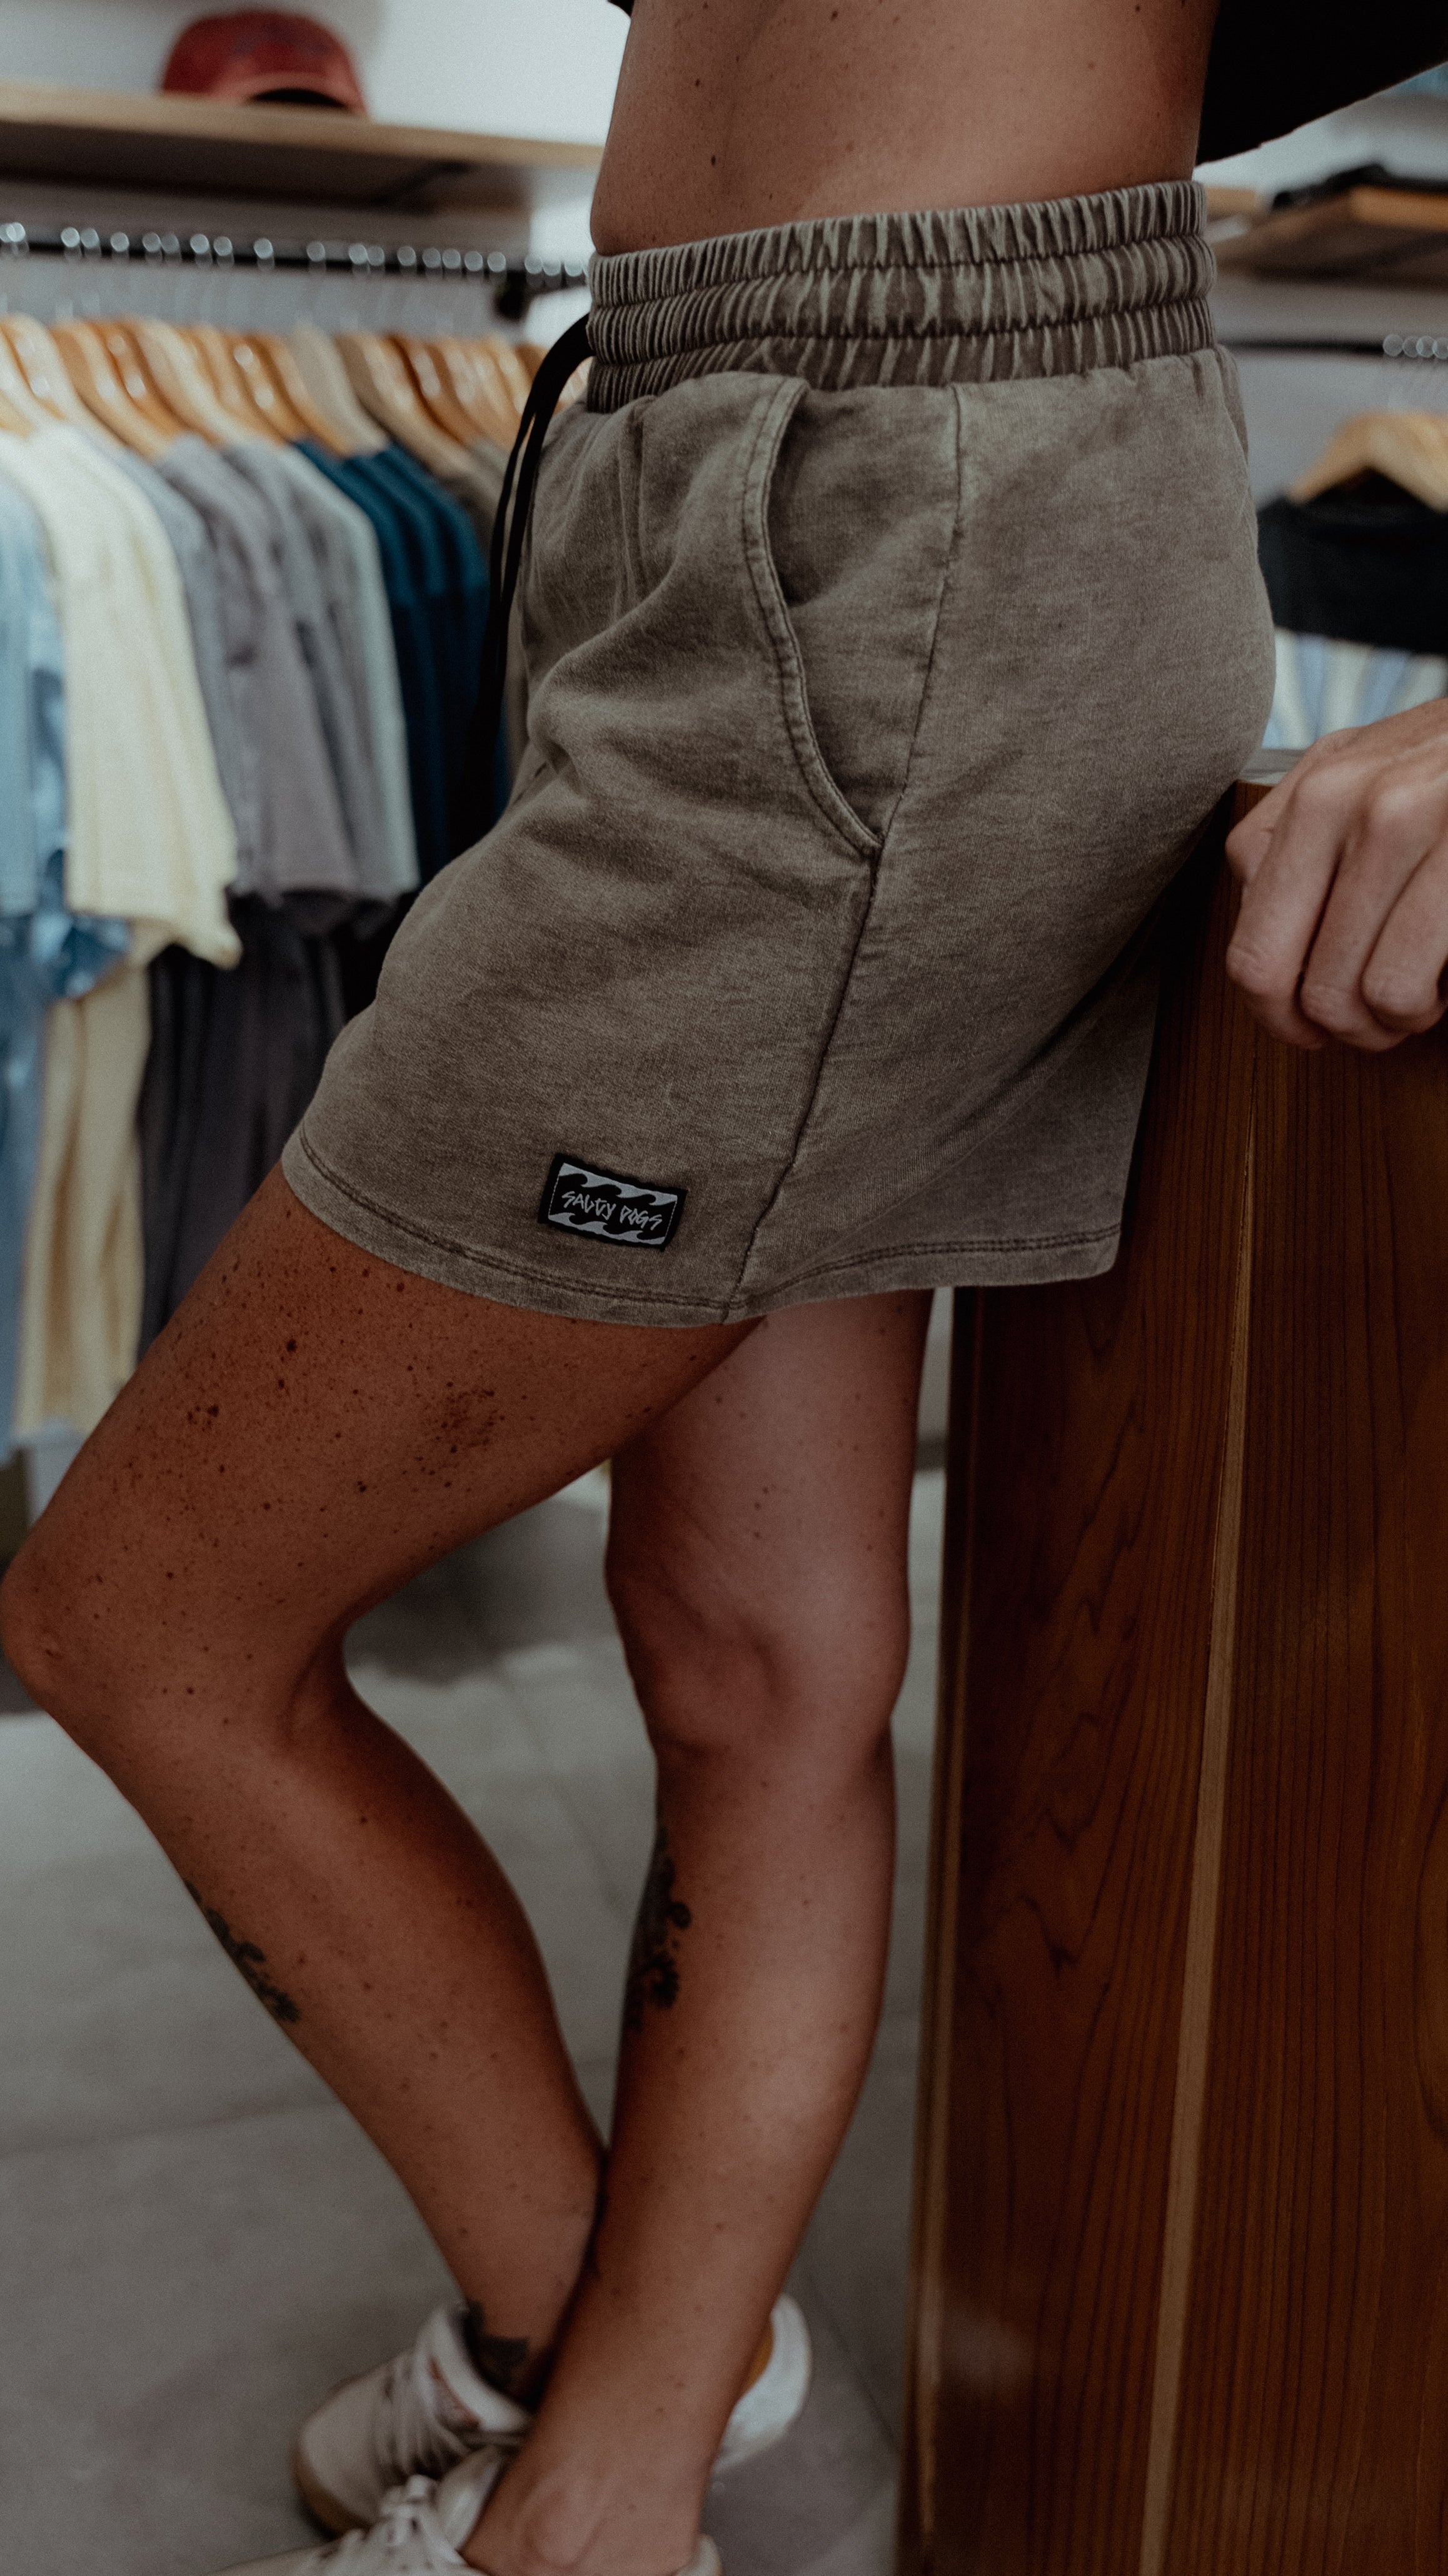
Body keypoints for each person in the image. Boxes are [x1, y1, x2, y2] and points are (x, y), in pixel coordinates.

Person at [6, 6, 1448, 2574]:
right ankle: (650, 2402)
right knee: (753, 1657)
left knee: (140, 1617)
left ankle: (591, 2435)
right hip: (705, 451)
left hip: (909, 497)